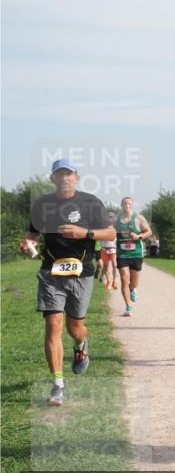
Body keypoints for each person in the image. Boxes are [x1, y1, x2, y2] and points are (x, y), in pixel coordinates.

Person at [20, 159, 115, 406]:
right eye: (59, 174)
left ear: (77, 177)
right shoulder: (43, 205)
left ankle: (81, 343)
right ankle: (58, 384)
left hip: (81, 273)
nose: (64, 178)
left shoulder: (90, 202)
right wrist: (28, 244)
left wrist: (86, 233)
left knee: (75, 328)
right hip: (51, 272)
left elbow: (111, 233)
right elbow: (32, 233)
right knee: (53, 324)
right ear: (52, 179)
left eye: (68, 174)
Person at [115, 196, 152, 316]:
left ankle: (133, 288)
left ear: (132, 205)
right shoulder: (116, 220)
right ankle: (128, 306)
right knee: (124, 279)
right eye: (125, 203)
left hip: (136, 253)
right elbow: (110, 231)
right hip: (122, 253)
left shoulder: (139, 218)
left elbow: (149, 232)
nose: (127, 206)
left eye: (129, 203)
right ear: (121, 205)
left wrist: (139, 236)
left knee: (134, 282)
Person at [99, 212, 118, 290]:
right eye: (109, 217)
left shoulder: (116, 228)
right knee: (106, 267)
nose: (110, 218)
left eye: (111, 217)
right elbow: (99, 237)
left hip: (113, 249)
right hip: (104, 249)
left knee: (115, 265)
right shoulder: (102, 228)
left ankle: (114, 281)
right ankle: (108, 281)